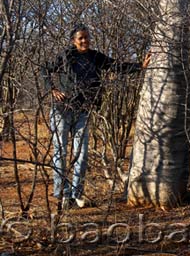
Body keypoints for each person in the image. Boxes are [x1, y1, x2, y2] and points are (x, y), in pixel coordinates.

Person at [42, 23, 150, 209]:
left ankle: (77, 195)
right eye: (80, 38)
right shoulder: (67, 56)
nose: (84, 41)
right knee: (61, 153)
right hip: (62, 110)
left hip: (83, 110)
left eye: (86, 37)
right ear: (73, 41)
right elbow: (45, 69)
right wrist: (52, 89)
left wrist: (140, 66)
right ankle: (62, 194)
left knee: (82, 155)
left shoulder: (95, 57)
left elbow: (116, 66)